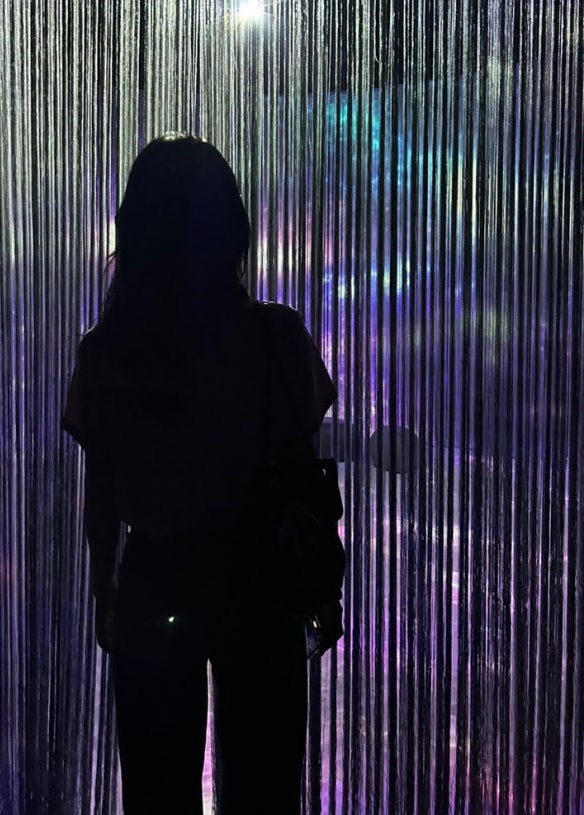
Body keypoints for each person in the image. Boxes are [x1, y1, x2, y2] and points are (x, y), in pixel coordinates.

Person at [63, 133, 341, 815]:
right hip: (260, 582)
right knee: (264, 791)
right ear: (231, 228)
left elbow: (103, 493)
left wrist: (105, 591)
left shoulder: (106, 354)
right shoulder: (276, 337)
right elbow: (303, 473)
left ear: (135, 233)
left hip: (156, 580)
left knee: (157, 793)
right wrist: (321, 586)